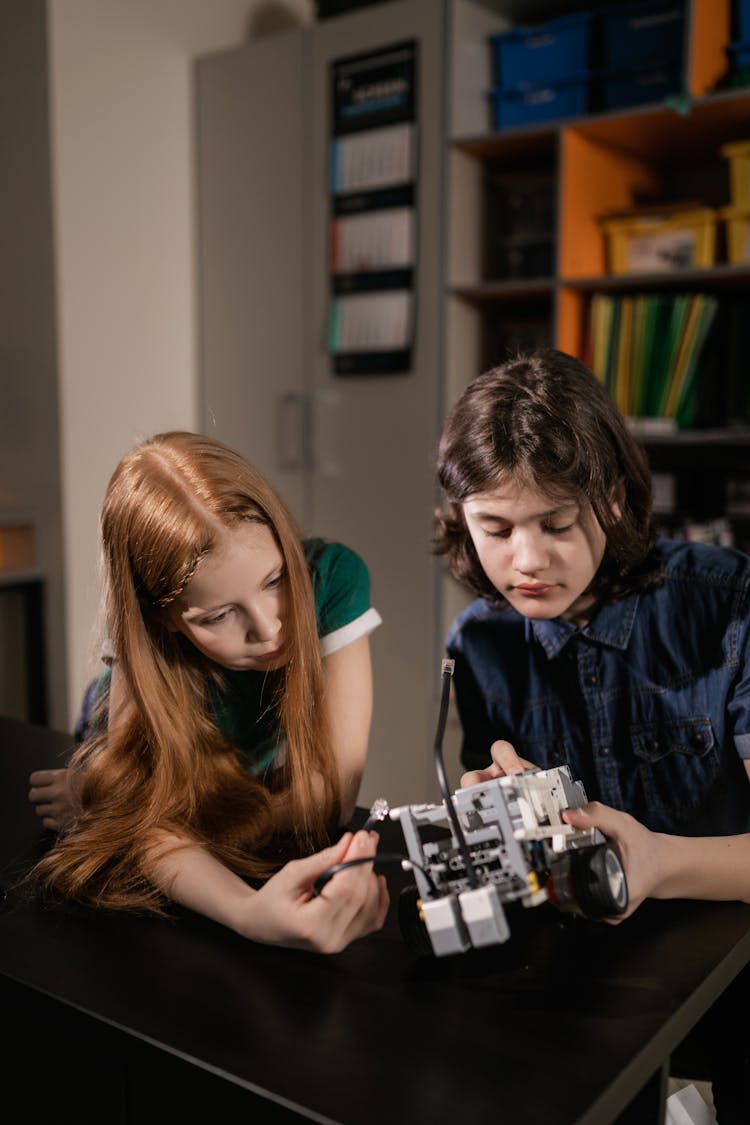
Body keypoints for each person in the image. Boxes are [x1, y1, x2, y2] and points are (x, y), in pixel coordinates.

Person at [434, 347, 750, 1122]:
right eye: (496, 528)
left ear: (611, 499)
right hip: (587, 994)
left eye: (557, 523)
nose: (527, 560)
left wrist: (656, 861)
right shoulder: (478, 642)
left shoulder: (727, 603)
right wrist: (499, 819)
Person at [28, 431, 388, 954]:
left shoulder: (332, 577)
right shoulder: (143, 637)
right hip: (129, 720)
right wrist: (247, 912)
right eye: (218, 615)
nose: (269, 629)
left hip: (234, 771)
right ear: (164, 620)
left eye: (275, 579)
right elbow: (141, 817)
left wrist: (116, 809)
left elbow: (329, 799)